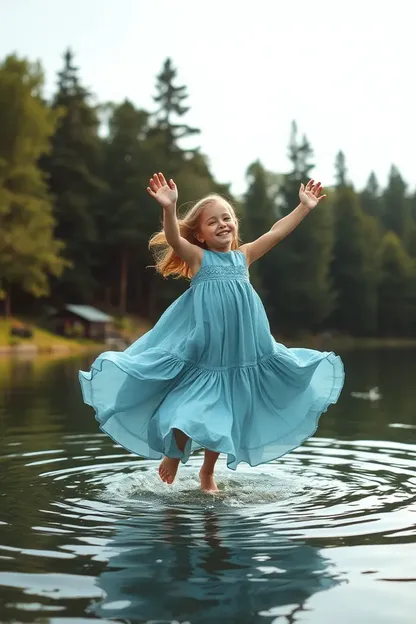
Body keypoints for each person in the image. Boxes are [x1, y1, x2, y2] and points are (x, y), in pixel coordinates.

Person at [79, 173, 344, 493]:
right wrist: (169, 207)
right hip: (203, 353)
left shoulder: (244, 256)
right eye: (212, 221)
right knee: (185, 407)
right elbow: (175, 239)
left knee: (224, 417)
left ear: (235, 224)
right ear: (200, 235)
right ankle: (173, 454)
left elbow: (276, 232)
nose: (222, 224)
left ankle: (207, 472)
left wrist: (303, 207)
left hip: (242, 353)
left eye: (227, 218)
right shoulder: (199, 258)